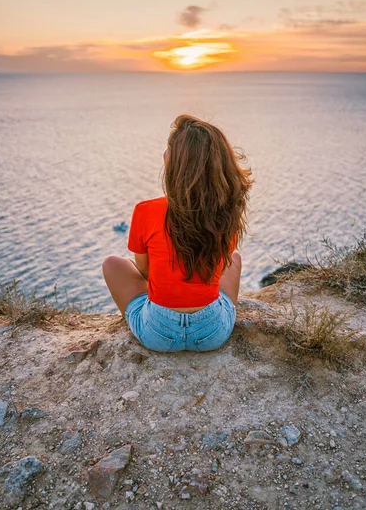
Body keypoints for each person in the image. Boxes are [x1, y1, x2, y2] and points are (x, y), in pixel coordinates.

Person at [102, 114, 253, 352]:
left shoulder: (146, 211)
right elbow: (222, 267)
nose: (164, 153)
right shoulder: (226, 213)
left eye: (169, 149)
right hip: (213, 333)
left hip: (158, 334)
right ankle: (217, 311)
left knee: (112, 264)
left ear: (178, 164)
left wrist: (168, 273)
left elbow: (144, 271)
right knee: (234, 259)